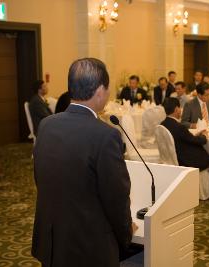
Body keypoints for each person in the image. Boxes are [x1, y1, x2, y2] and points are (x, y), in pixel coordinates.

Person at [32, 58, 141, 267]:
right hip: (88, 247)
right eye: (108, 89)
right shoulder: (106, 135)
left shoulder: (46, 125)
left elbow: (41, 178)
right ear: (100, 91)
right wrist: (127, 231)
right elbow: (116, 197)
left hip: (53, 240)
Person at [161, 97, 209, 189]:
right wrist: (204, 136)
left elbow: (186, 138)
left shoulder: (163, 124)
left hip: (175, 155)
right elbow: (198, 141)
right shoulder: (179, 127)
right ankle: (208, 188)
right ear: (177, 109)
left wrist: (195, 135)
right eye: (180, 108)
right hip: (186, 159)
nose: (181, 110)